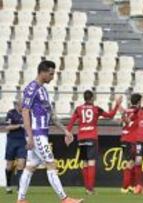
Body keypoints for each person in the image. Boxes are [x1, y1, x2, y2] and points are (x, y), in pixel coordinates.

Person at [18, 60, 83, 203]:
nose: (53, 77)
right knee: (51, 163)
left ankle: (21, 199)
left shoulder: (43, 90)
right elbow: (25, 111)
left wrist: (65, 131)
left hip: (40, 133)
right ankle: (64, 199)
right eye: (51, 74)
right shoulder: (32, 88)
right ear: (42, 72)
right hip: (36, 134)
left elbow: (51, 116)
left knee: (30, 166)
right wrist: (29, 136)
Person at [67, 90, 122, 195]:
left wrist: (67, 134)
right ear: (92, 98)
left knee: (84, 163)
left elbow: (71, 122)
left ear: (84, 98)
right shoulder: (96, 109)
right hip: (91, 138)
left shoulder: (78, 109)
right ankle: (90, 189)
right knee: (91, 162)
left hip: (81, 138)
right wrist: (117, 105)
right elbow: (110, 116)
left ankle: (87, 188)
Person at [119, 93, 142, 194]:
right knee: (131, 163)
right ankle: (125, 187)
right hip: (131, 139)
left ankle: (131, 186)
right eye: (141, 101)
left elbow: (122, 121)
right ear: (138, 102)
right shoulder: (137, 111)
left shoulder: (128, 111)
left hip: (124, 138)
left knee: (132, 161)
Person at [4, 100, 26, 194]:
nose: (23, 106)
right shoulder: (11, 113)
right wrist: (20, 125)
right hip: (11, 141)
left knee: (21, 164)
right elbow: (7, 127)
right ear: (17, 105)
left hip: (22, 141)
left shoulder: (26, 113)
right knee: (9, 166)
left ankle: (19, 187)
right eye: (22, 104)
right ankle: (8, 185)